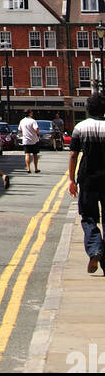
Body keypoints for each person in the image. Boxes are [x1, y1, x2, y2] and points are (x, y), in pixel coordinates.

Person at [68, 92, 105, 274]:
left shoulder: (80, 128)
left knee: (89, 217)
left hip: (88, 180)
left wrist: (71, 180)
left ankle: (95, 249)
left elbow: (74, 155)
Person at [18, 109, 41, 174]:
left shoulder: (22, 121)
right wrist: (37, 133)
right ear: (30, 113)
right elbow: (36, 129)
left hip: (26, 140)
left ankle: (28, 168)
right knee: (35, 154)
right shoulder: (33, 121)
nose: (32, 113)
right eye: (31, 112)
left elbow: (20, 129)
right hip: (34, 140)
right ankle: (36, 168)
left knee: (27, 154)